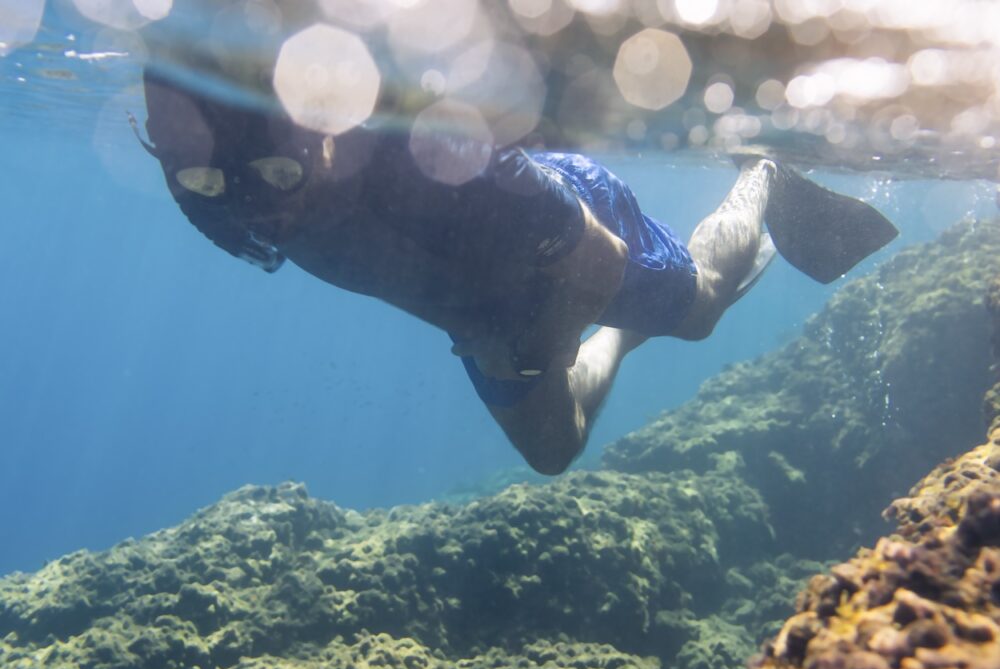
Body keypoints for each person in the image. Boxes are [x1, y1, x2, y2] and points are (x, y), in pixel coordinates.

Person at [138, 71, 898, 474]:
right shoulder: (225, 186)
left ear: (321, 125)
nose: (254, 210)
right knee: (553, 452)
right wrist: (495, 332)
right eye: (201, 182)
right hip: (482, 313)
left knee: (698, 310)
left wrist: (540, 344)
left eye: (277, 174)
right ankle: (614, 333)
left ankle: (761, 175)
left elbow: (596, 256)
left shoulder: (440, 159)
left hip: (571, 236)